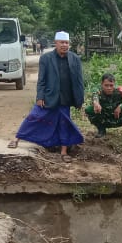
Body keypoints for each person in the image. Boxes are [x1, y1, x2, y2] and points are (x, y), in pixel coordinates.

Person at [10, 31, 85, 162]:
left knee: (64, 124)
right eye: (62, 42)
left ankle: (64, 152)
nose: (64, 45)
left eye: (66, 43)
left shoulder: (75, 59)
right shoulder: (46, 58)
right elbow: (41, 80)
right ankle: (17, 139)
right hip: (49, 96)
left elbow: (79, 81)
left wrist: (79, 100)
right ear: (56, 43)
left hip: (65, 98)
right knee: (34, 117)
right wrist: (40, 97)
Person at [85, 73, 122, 141]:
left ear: (114, 84)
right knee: (88, 109)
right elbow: (95, 95)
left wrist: (121, 106)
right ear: (102, 84)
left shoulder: (119, 90)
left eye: (111, 85)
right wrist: (96, 103)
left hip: (118, 118)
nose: (109, 88)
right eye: (106, 85)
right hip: (104, 119)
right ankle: (101, 130)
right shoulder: (98, 90)